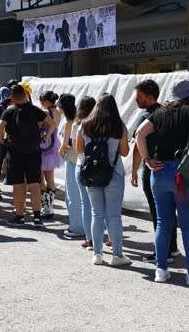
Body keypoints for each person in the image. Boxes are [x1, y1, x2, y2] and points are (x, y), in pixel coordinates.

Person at [135, 79, 189, 286]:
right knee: (188, 225)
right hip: (185, 173)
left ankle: (161, 270)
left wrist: (147, 160)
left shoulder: (159, 113)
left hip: (159, 171)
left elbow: (139, 134)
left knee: (163, 222)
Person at [75, 94, 131, 266]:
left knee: (96, 213)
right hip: (114, 174)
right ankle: (117, 255)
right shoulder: (118, 126)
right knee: (114, 216)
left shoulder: (84, 125)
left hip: (91, 174)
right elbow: (124, 152)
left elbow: (79, 149)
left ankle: (97, 254)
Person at [130, 79, 180, 262]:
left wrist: (135, 170)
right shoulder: (166, 112)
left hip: (152, 168)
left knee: (158, 213)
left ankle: (164, 252)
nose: (136, 100)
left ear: (150, 98)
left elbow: (137, 143)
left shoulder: (147, 117)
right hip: (170, 166)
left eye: (139, 97)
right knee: (169, 210)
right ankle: (172, 247)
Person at [0, 84, 56, 227]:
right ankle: (37, 217)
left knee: (18, 184)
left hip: (15, 152)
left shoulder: (9, 111)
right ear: (25, 95)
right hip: (34, 151)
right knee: (35, 184)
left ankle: (20, 216)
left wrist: (2, 141)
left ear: (12, 97)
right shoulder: (35, 110)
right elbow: (52, 124)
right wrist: (45, 137)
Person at [56, 93, 84, 238]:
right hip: (77, 159)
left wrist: (56, 156)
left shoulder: (69, 122)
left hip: (72, 160)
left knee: (72, 195)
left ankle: (76, 227)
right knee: (79, 195)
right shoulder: (76, 120)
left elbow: (64, 146)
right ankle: (81, 225)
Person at [74, 96, 97, 249]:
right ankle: (107, 238)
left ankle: (89, 239)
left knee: (86, 204)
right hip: (98, 167)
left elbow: (77, 148)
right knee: (100, 207)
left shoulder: (78, 125)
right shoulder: (99, 124)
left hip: (81, 165)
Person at [38, 90, 62, 219]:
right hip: (54, 144)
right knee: (50, 178)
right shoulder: (58, 112)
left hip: (43, 143)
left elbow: (39, 126)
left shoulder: (45, 112)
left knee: (40, 177)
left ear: (46, 101)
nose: (41, 103)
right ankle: (50, 206)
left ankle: (45, 206)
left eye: (42, 101)